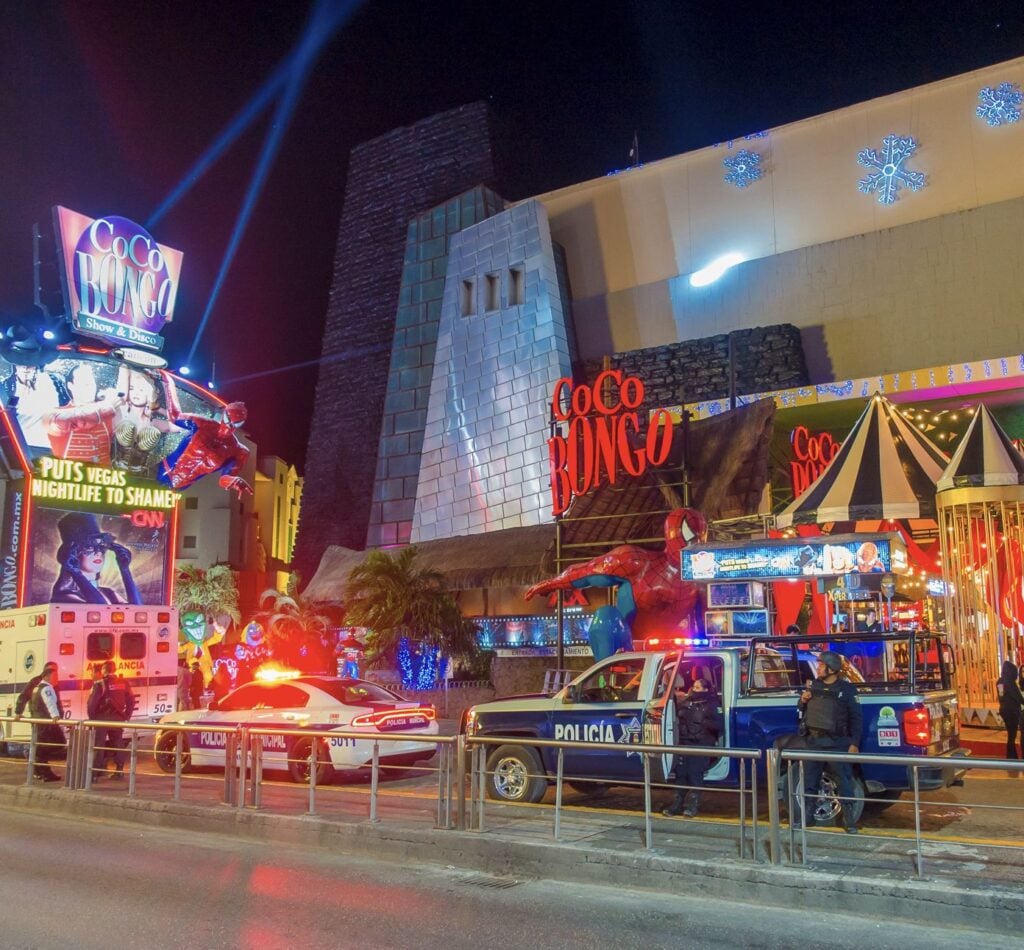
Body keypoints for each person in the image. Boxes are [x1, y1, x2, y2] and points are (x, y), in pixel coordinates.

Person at [525, 508, 708, 660]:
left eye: (700, 538)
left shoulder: (702, 578)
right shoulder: (637, 562)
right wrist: (552, 583)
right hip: (625, 644)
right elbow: (586, 572)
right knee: (605, 617)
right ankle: (608, 676)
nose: (695, 544)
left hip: (669, 649)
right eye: (691, 536)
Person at [796, 650, 863, 833]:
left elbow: (856, 718)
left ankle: (849, 821)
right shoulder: (814, 686)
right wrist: (802, 700)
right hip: (814, 741)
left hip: (837, 743)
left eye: (821, 665)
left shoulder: (847, 690)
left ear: (832, 669)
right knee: (810, 781)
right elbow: (801, 709)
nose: (818, 668)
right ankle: (807, 818)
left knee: (844, 782)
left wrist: (854, 743)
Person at [157, 371, 252, 497]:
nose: (230, 425)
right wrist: (168, 383)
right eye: (229, 418)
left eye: (237, 423)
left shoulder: (238, 451)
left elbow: (224, 478)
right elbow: (175, 415)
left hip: (181, 486)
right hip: (162, 471)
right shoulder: (203, 424)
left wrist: (233, 481)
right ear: (225, 414)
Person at [49, 512, 141, 605]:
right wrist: (75, 572)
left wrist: (125, 570)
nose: (98, 553)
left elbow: (137, 609)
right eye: (89, 547)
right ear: (71, 554)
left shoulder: (108, 593)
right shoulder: (64, 596)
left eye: (101, 547)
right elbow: (100, 608)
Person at [663, 678, 722, 817]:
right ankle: (677, 805)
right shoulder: (687, 702)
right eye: (694, 687)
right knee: (681, 774)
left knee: (695, 774)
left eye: (698, 688)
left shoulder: (712, 704)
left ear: (706, 689)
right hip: (685, 743)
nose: (694, 690)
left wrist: (702, 722)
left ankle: (693, 806)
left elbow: (720, 725)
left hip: (701, 744)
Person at [87, 660, 136, 780]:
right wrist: (127, 715)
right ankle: (119, 771)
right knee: (118, 744)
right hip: (117, 718)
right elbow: (131, 700)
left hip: (101, 719)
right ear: (114, 669)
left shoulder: (100, 683)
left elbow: (92, 704)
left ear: (104, 670)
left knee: (99, 746)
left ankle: (95, 774)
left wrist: (92, 719)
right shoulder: (123, 682)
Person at [29, 665, 65, 782]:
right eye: (55, 676)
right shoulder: (47, 689)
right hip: (46, 723)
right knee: (59, 742)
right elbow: (50, 703)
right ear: (47, 676)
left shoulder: (37, 688)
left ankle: (42, 771)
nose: (57, 678)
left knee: (43, 747)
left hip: (39, 722)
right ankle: (40, 763)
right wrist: (55, 716)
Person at [996, 660, 1024, 759]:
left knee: (1011, 734)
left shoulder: (1000, 682)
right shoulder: (1010, 683)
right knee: (1012, 735)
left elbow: (1001, 696)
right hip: (1012, 712)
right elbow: (1019, 698)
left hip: (1005, 711)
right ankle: (1011, 756)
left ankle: (1011, 755)